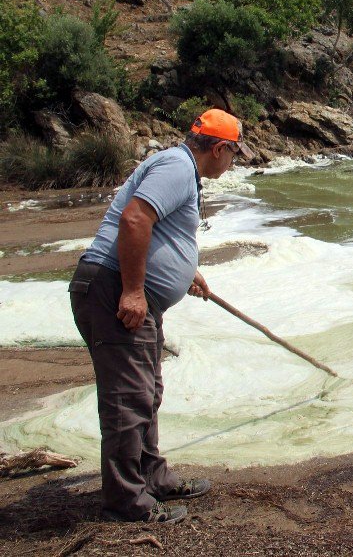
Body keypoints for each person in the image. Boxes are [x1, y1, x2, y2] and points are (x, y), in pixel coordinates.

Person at [69, 109, 252, 523]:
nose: (233, 162)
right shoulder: (175, 166)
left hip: (129, 293)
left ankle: (152, 478)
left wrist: (187, 271)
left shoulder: (180, 167)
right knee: (127, 400)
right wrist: (133, 290)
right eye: (235, 154)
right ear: (221, 148)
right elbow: (135, 219)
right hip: (115, 291)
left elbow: (159, 230)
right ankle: (125, 503)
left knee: (146, 392)